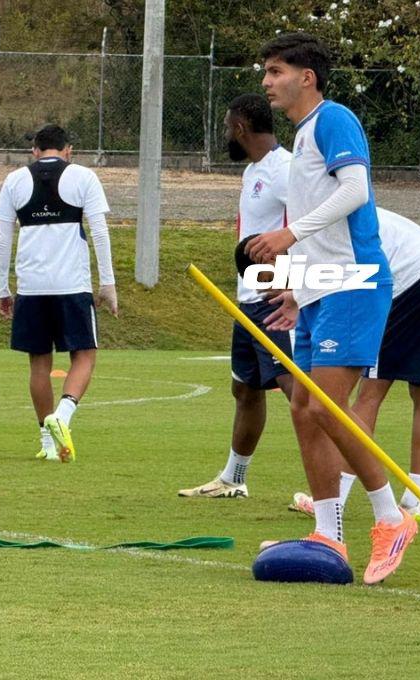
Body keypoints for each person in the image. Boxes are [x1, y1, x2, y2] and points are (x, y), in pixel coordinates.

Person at [247, 32, 417, 585]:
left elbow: (355, 192)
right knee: (302, 407)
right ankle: (328, 533)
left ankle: (391, 520)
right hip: (323, 286)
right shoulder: (300, 138)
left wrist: (288, 234)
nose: (267, 81)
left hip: (356, 282)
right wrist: (300, 286)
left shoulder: (333, 118)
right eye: (267, 71)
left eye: (275, 71)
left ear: (306, 77)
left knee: (324, 407)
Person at [281, 208, 420, 523]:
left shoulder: (313, 229)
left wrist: (300, 298)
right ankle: (416, 500)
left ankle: (338, 496)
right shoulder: (336, 211)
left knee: (368, 394)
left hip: (408, 282)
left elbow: (345, 281)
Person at [178, 93, 294, 498]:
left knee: (299, 393)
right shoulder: (253, 172)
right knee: (245, 389)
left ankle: (333, 488)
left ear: (241, 128)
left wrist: (291, 286)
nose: (227, 134)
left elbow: (306, 229)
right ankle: (234, 479)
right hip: (248, 300)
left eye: (229, 127)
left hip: (276, 301)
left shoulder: (286, 170)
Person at [0, 124, 118, 463]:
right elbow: (100, 233)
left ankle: (48, 443)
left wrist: (2, 288)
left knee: (39, 363)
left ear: (35, 151)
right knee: (84, 355)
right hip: (72, 285)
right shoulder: (83, 177)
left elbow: (3, 239)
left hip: (31, 288)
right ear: (68, 150)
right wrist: (108, 284)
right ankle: (62, 417)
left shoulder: (14, 180)